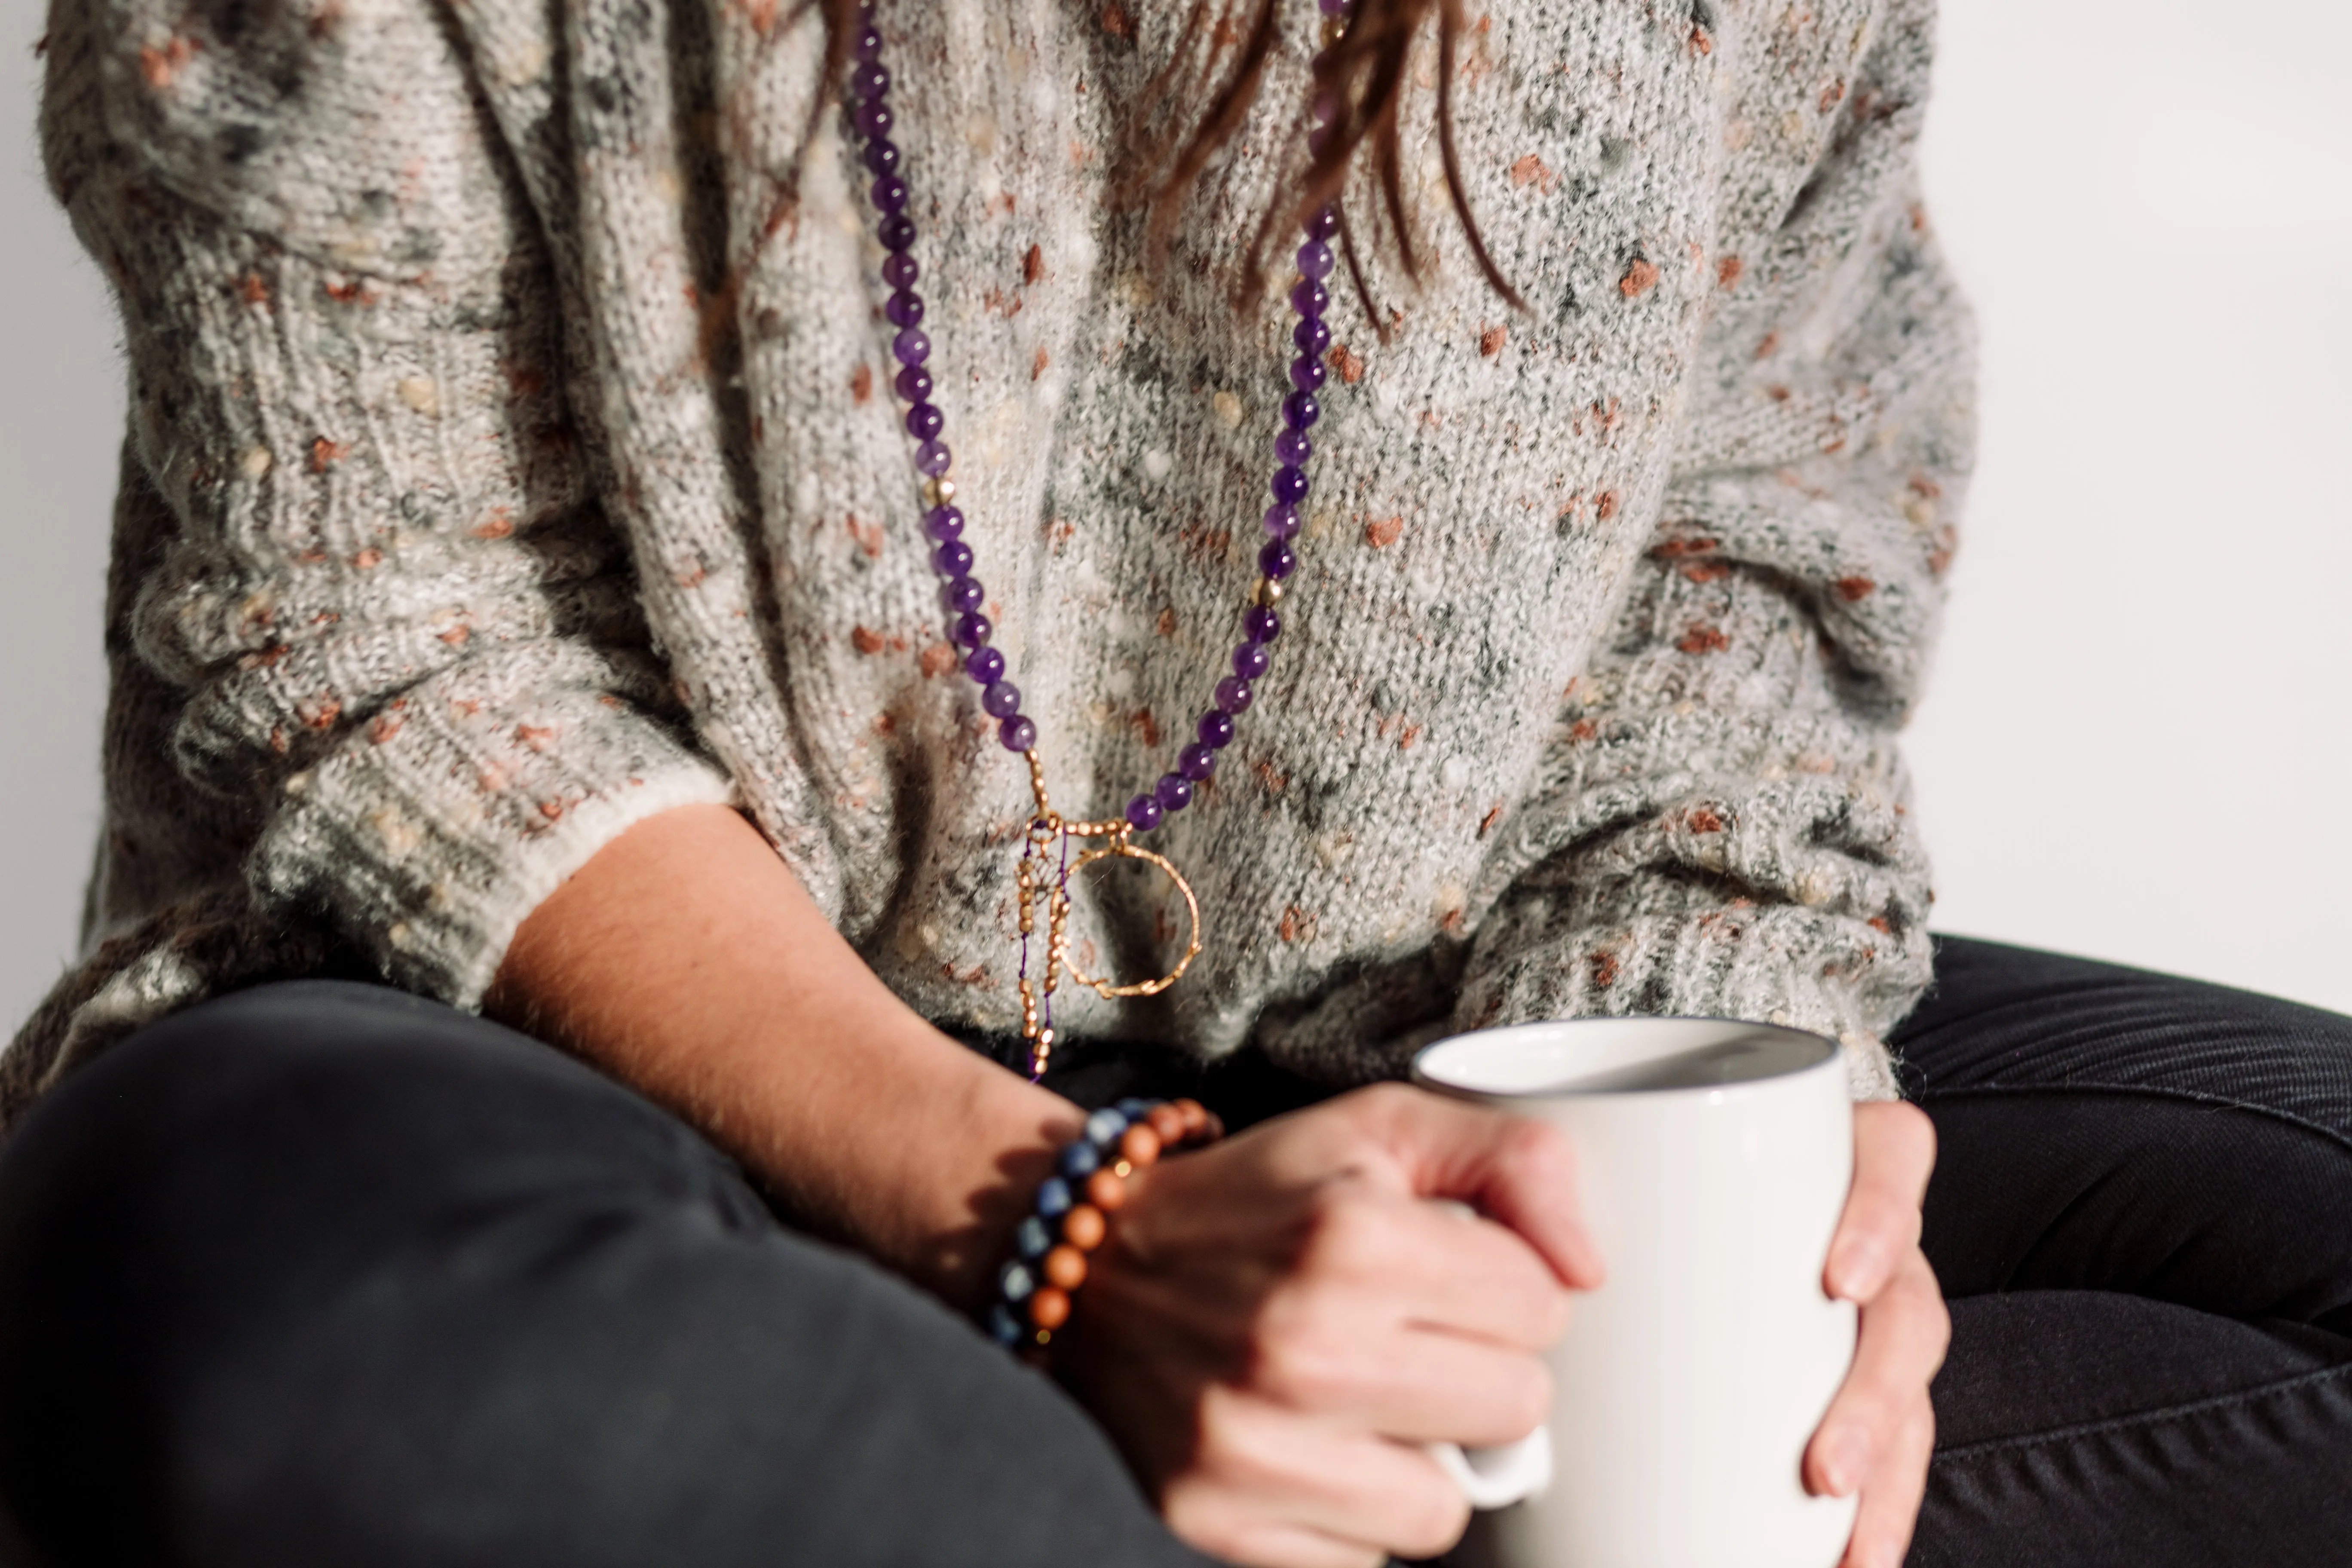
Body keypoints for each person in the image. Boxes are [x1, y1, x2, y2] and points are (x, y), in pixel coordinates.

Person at [1, 0, 2345, 1563]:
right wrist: (1063, 1235)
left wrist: (1713, 1136)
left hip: (1413, 1044)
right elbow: (382, 628)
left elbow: (1755, 575)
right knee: (307, 1365)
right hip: (579, 1041)